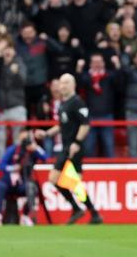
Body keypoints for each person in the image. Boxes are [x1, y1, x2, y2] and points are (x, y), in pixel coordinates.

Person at [34, 73, 103, 225]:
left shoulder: (77, 102)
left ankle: (90, 212)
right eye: (61, 83)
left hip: (74, 148)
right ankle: (87, 211)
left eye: (65, 83)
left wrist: (76, 143)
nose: (62, 86)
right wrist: (46, 133)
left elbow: (85, 124)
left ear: (73, 85)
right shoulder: (64, 104)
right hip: (66, 148)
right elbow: (61, 126)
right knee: (59, 180)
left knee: (71, 182)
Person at [0, 130, 46, 226]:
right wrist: (13, 168)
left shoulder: (32, 151)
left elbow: (45, 157)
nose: (25, 140)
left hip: (23, 182)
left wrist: (36, 147)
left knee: (31, 187)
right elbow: (1, 165)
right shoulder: (13, 149)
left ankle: (25, 216)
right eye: (23, 138)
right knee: (0, 185)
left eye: (27, 138)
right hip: (9, 182)